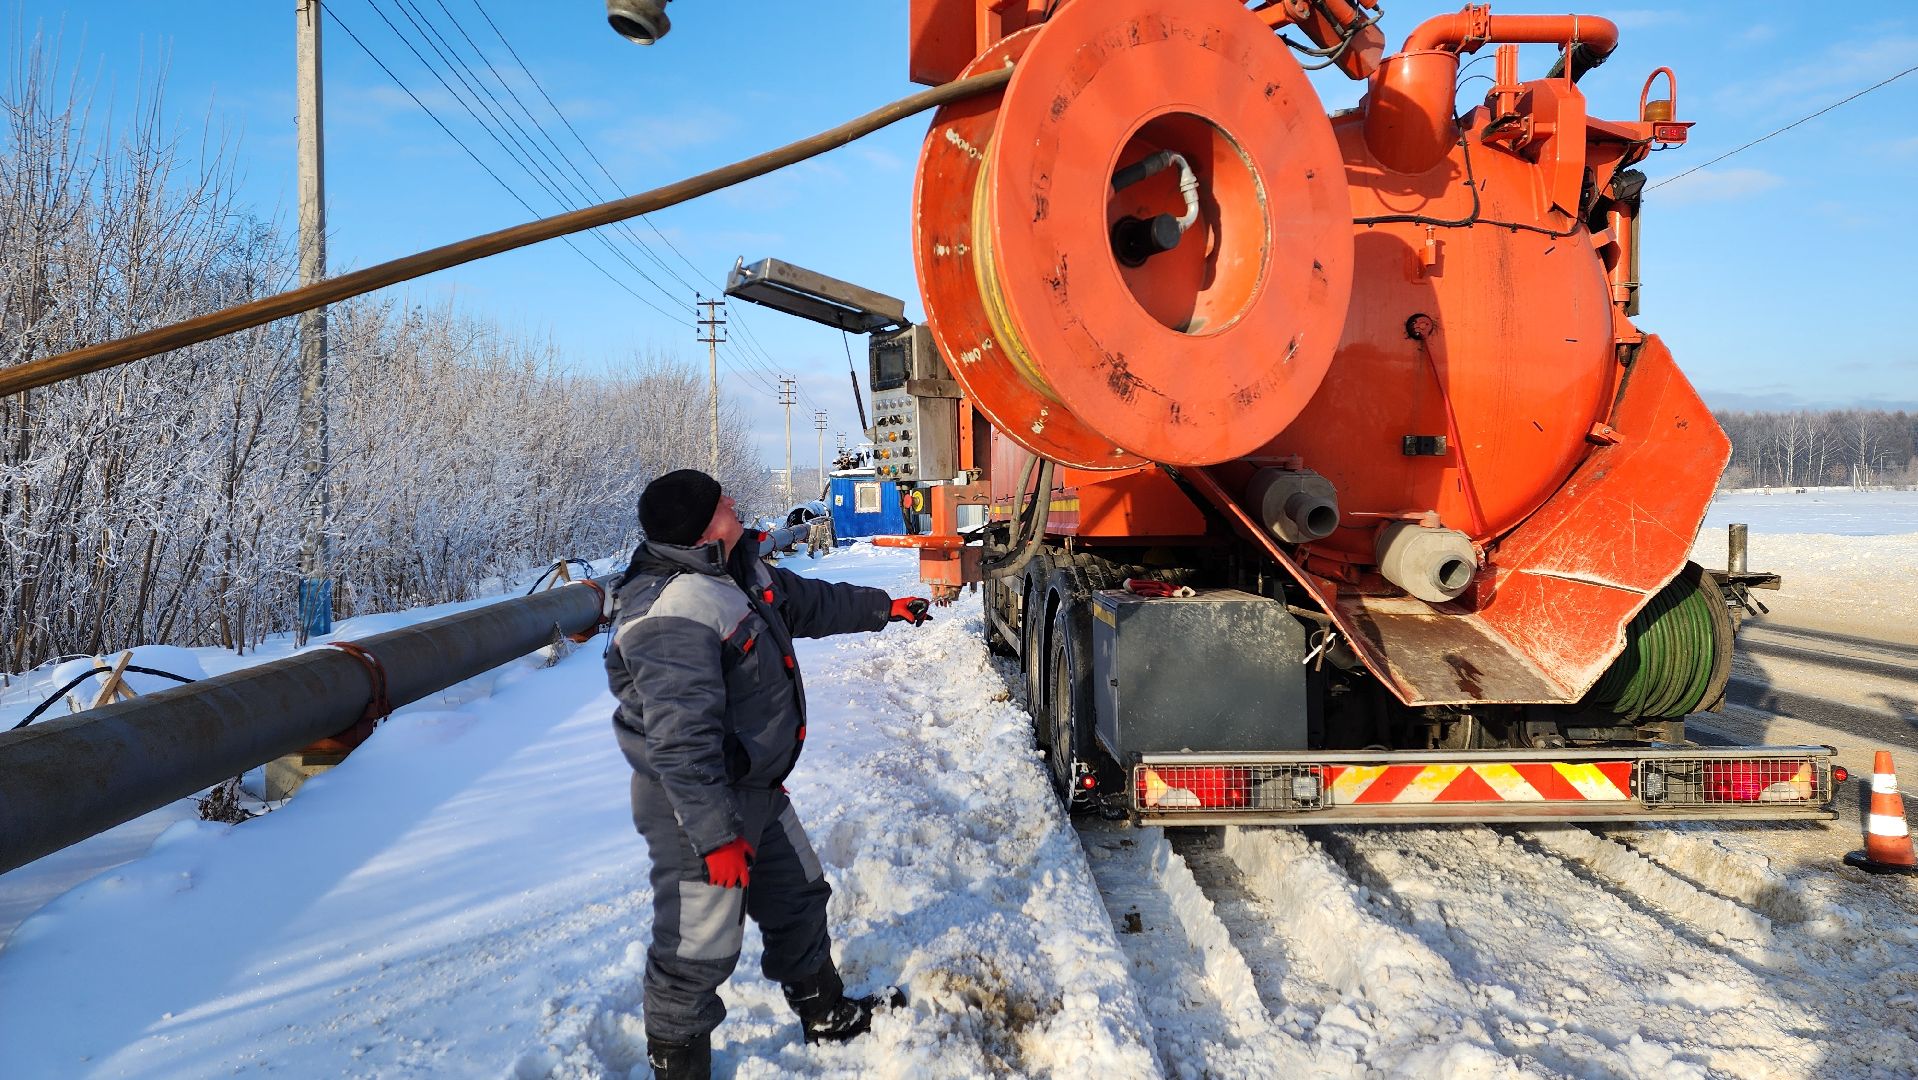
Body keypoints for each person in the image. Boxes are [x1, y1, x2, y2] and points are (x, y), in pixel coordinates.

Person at [605, 469, 931, 1079]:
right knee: (697, 949)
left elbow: (809, 601)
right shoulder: (671, 610)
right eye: (721, 500)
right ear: (702, 527)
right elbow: (680, 744)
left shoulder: (737, 568)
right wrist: (716, 836)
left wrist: (885, 607)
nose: (733, 501)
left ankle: (826, 1016)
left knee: (798, 897)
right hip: (694, 808)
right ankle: (679, 1068)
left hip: (752, 790)